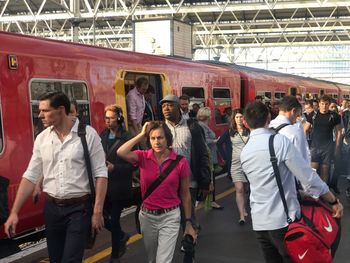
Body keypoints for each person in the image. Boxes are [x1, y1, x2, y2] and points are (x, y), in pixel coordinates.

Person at [4, 91, 108, 263]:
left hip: (79, 209)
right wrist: (14, 212)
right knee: (56, 259)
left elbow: (101, 174)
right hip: (52, 210)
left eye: (45, 110)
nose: (40, 115)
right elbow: (30, 175)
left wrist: (97, 212)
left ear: (61, 110)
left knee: (70, 259)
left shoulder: (88, 135)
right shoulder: (42, 139)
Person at [240, 101, 343, 263]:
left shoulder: (245, 151)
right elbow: (308, 177)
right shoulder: (278, 142)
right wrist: (333, 200)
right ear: (268, 117)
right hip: (284, 222)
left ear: (245, 122)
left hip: (260, 223)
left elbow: (264, 182)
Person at [117, 121, 196, 263]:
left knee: (162, 261)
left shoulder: (180, 162)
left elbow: (185, 194)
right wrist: (141, 134)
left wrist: (189, 222)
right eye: (152, 138)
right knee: (152, 259)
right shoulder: (142, 157)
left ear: (168, 139)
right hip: (147, 217)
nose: (157, 142)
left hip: (170, 217)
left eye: (160, 138)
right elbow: (121, 152)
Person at [161, 95, 211, 232]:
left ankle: (189, 239)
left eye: (170, 105)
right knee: (171, 215)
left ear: (179, 108)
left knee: (187, 214)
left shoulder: (193, 127)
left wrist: (205, 181)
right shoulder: (159, 129)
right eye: (163, 106)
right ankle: (191, 229)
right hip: (167, 180)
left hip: (189, 180)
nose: (166, 108)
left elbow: (202, 154)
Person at [100, 105, 134, 262]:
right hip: (105, 185)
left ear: (119, 118)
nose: (107, 121)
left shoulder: (127, 137)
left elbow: (134, 164)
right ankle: (121, 235)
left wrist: (115, 168)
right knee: (104, 218)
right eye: (106, 118)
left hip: (120, 186)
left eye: (111, 118)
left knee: (114, 219)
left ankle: (115, 256)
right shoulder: (103, 135)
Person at [304, 95, 342, 183]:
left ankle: (324, 193)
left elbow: (339, 132)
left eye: (326, 104)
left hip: (327, 148)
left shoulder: (334, 116)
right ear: (319, 104)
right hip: (315, 147)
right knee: (313, 171)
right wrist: (305, 145)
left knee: (325, 171)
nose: (324, 106)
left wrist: (337, 147)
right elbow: (305, 129)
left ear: (329, 105)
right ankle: (312, 193)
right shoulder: (313, 115)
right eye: (322, 104)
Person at [196, 107, 223, 209]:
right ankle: (209, 201)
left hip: (209, 155)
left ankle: (210, 200)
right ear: (207, 116)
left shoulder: (202, 125)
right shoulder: (202, 126)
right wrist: (215, 141)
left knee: (210, 179)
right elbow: (204, 140)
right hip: (208, 156)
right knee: (210, 179)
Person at [269, 96, 310, 162]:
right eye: (297, 115)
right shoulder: (295, 133)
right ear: (293, 111)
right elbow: (303, 161)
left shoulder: (268, 127)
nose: (296, 121)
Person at [229, 108, 250, 224]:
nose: (239, 119)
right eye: (237, 117)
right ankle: (241, 215)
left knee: (246, 189)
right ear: (234, 119)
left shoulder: (249, 131)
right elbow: (220, 143)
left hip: (248, 164)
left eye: (241, 117)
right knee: (239, 189)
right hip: (236, 165)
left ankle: (244, 207)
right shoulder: (230, 131)